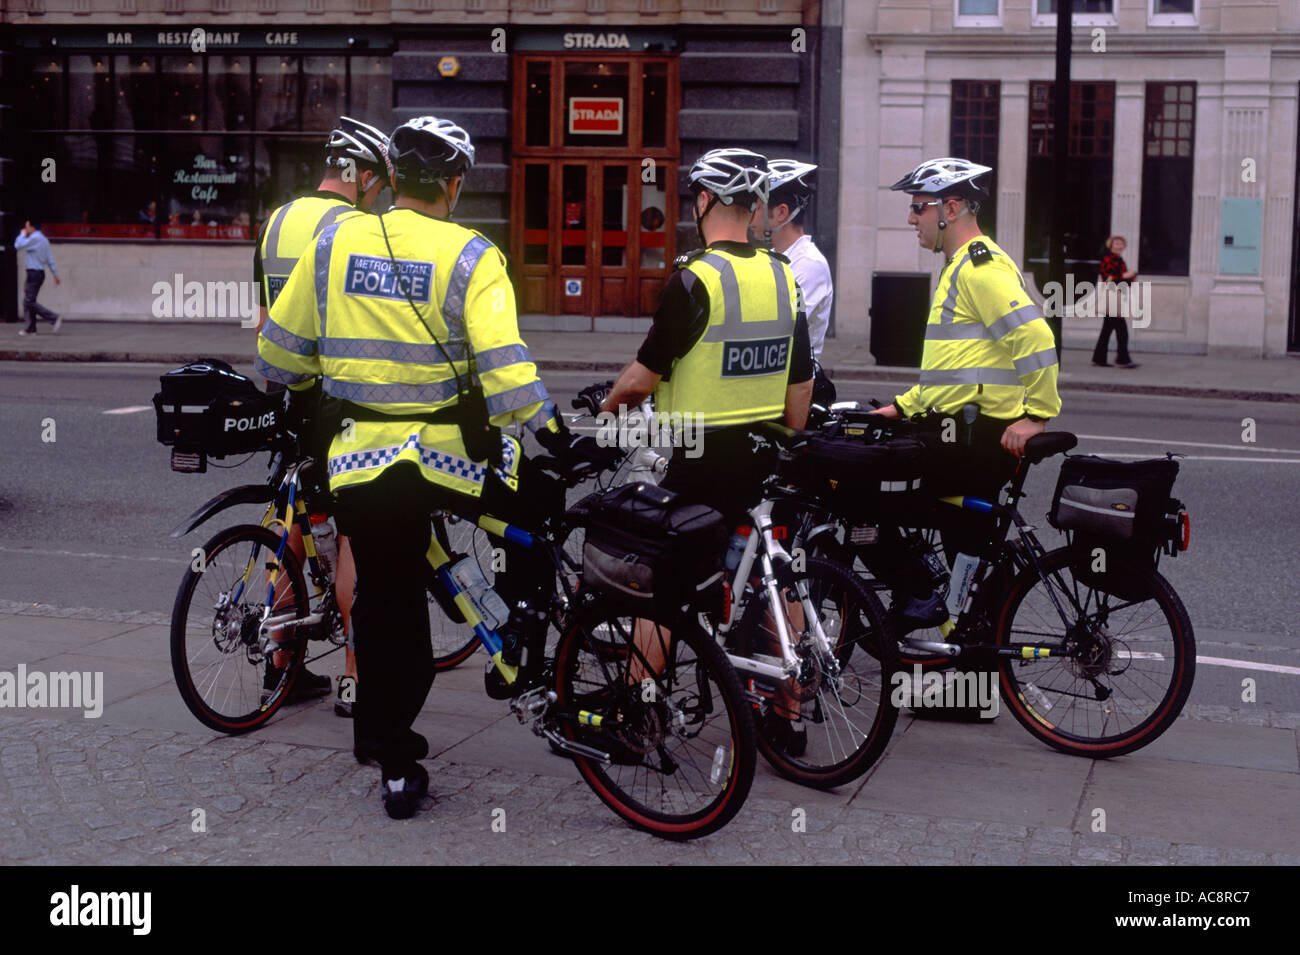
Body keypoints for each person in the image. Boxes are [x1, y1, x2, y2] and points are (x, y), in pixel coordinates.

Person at [257, 115, 607, 819]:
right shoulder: (473, 255)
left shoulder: (331, 243)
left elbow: (280, 354)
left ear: (389, 180)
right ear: (453, 184)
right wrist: (555, 433)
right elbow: (507, 372)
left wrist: (314, 396)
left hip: (361, 466)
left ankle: (391, 759)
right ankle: (518, 649)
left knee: (388, 608)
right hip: (450, 464)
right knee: (534, 515)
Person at [600, 146, 814, 752]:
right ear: (752, 209)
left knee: (657, 587)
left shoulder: (694, 279)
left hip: (693, 463)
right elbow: (799, 386)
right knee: (777, 576)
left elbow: (644, 376)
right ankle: (789, 715)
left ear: (705, 202)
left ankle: (639, 716)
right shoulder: (782, 275)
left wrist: (608, 406)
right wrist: (786, 434)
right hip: (763, 457)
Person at [870, 157, 1062, 637]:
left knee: (862, 494)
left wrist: (1038, 415)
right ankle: (969, 654)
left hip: (975, 440)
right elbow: (952, 374)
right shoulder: (961, 268)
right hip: (966, 432)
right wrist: (903, 407)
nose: (912, 218)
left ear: (950, 207)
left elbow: (1035, 337)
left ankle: (920, 595)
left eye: (919, 207)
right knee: (963, 543)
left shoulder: (978, 269)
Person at [253, 116, 391, 717]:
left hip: (290, 394)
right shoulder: (356, 228)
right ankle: (355, 680)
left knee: (289, 522)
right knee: (351, 532)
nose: (381, 194)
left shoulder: (277, 221)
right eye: (379, 183)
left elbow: (266, 323)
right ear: (361, 177)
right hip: (338, 401)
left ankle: (280, 664)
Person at [764, 159, 834, 405]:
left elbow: (779, 328)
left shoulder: (808, 264)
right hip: (774, 382)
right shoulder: (776, 259)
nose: (749, 213)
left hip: (794, 389)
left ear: (781, 213)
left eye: (756, 205)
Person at [1091, 235, 1139, 369]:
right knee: (1121, 330)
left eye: (1121, 244)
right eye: (1116, 244)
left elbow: (1123, 280)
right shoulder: (1108, 259)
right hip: (1112, 295)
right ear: (1111, 245)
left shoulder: (1119, 259)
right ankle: (1122, 359)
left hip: (1117, 295)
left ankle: (1100, 358)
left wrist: (1130, 277)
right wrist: (1126, 276)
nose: (1119, 246)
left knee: (1107, 329)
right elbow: (1108, 277)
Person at [15, 220, 61, 336]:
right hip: (39, 273)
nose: (26, 229)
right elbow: (49, 259)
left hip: (33, 273)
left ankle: (53, 318)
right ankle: (31, 329)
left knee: (29, 301)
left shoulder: (34, 238)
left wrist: (22, 234)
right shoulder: (44, 240)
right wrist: (55, 274)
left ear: (32, 227)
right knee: (28, 301)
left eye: (27, 226)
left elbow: (18, 245)